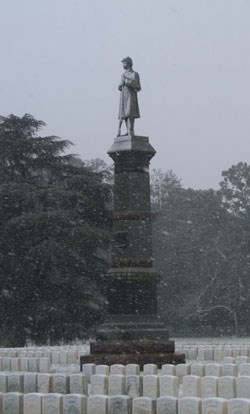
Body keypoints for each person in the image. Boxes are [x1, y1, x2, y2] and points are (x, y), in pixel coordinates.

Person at [117, 57, 141, 136]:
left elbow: (137, 85)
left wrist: (127, 81)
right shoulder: (123, 74)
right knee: (124, 115)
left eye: (124, 63)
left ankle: (131, 130)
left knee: (130, 113)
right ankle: (127, 130)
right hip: (124, 95)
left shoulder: (134, 74)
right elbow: (120, 86)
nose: (123, 65)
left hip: (131, 95)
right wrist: (120, 85)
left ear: (129, 63)